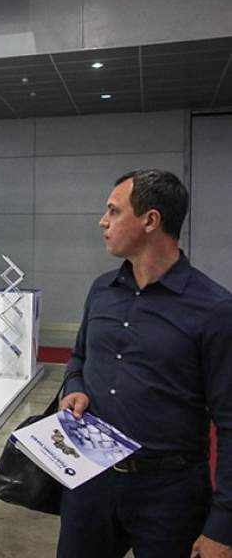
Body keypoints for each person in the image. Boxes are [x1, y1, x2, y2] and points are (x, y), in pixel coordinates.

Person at [58, 170, 232, 558]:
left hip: (170, 495)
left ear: (151, 220)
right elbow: (79, 357)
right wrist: (75, 387)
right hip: (91, 481)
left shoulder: (215, 310)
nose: (102, 221)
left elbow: (230, 421)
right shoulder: (101, 290)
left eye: (113, 211)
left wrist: (223, 525)